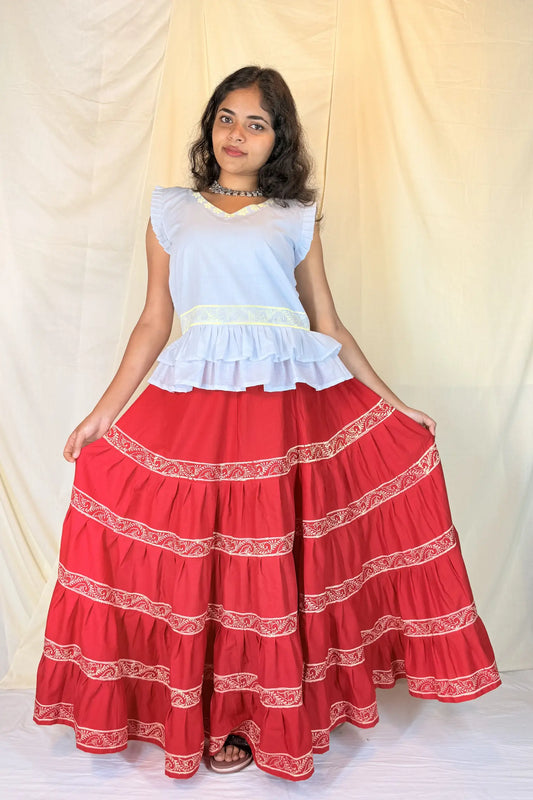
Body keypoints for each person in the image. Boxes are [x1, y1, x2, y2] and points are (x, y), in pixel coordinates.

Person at [33, 65, 501, 782]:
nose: (236, 134)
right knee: (202, 559)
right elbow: (155, 320)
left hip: (285, 406)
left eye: (256, 123)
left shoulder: (294, 216)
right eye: (226, 117)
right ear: (209, 126)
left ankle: (267, 717)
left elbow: (327, 323)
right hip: (194, 406)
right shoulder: (171, 209)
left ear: (277, 138)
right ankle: (206, 712)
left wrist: (392, 402)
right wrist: (104, 414)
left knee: (271, 564)